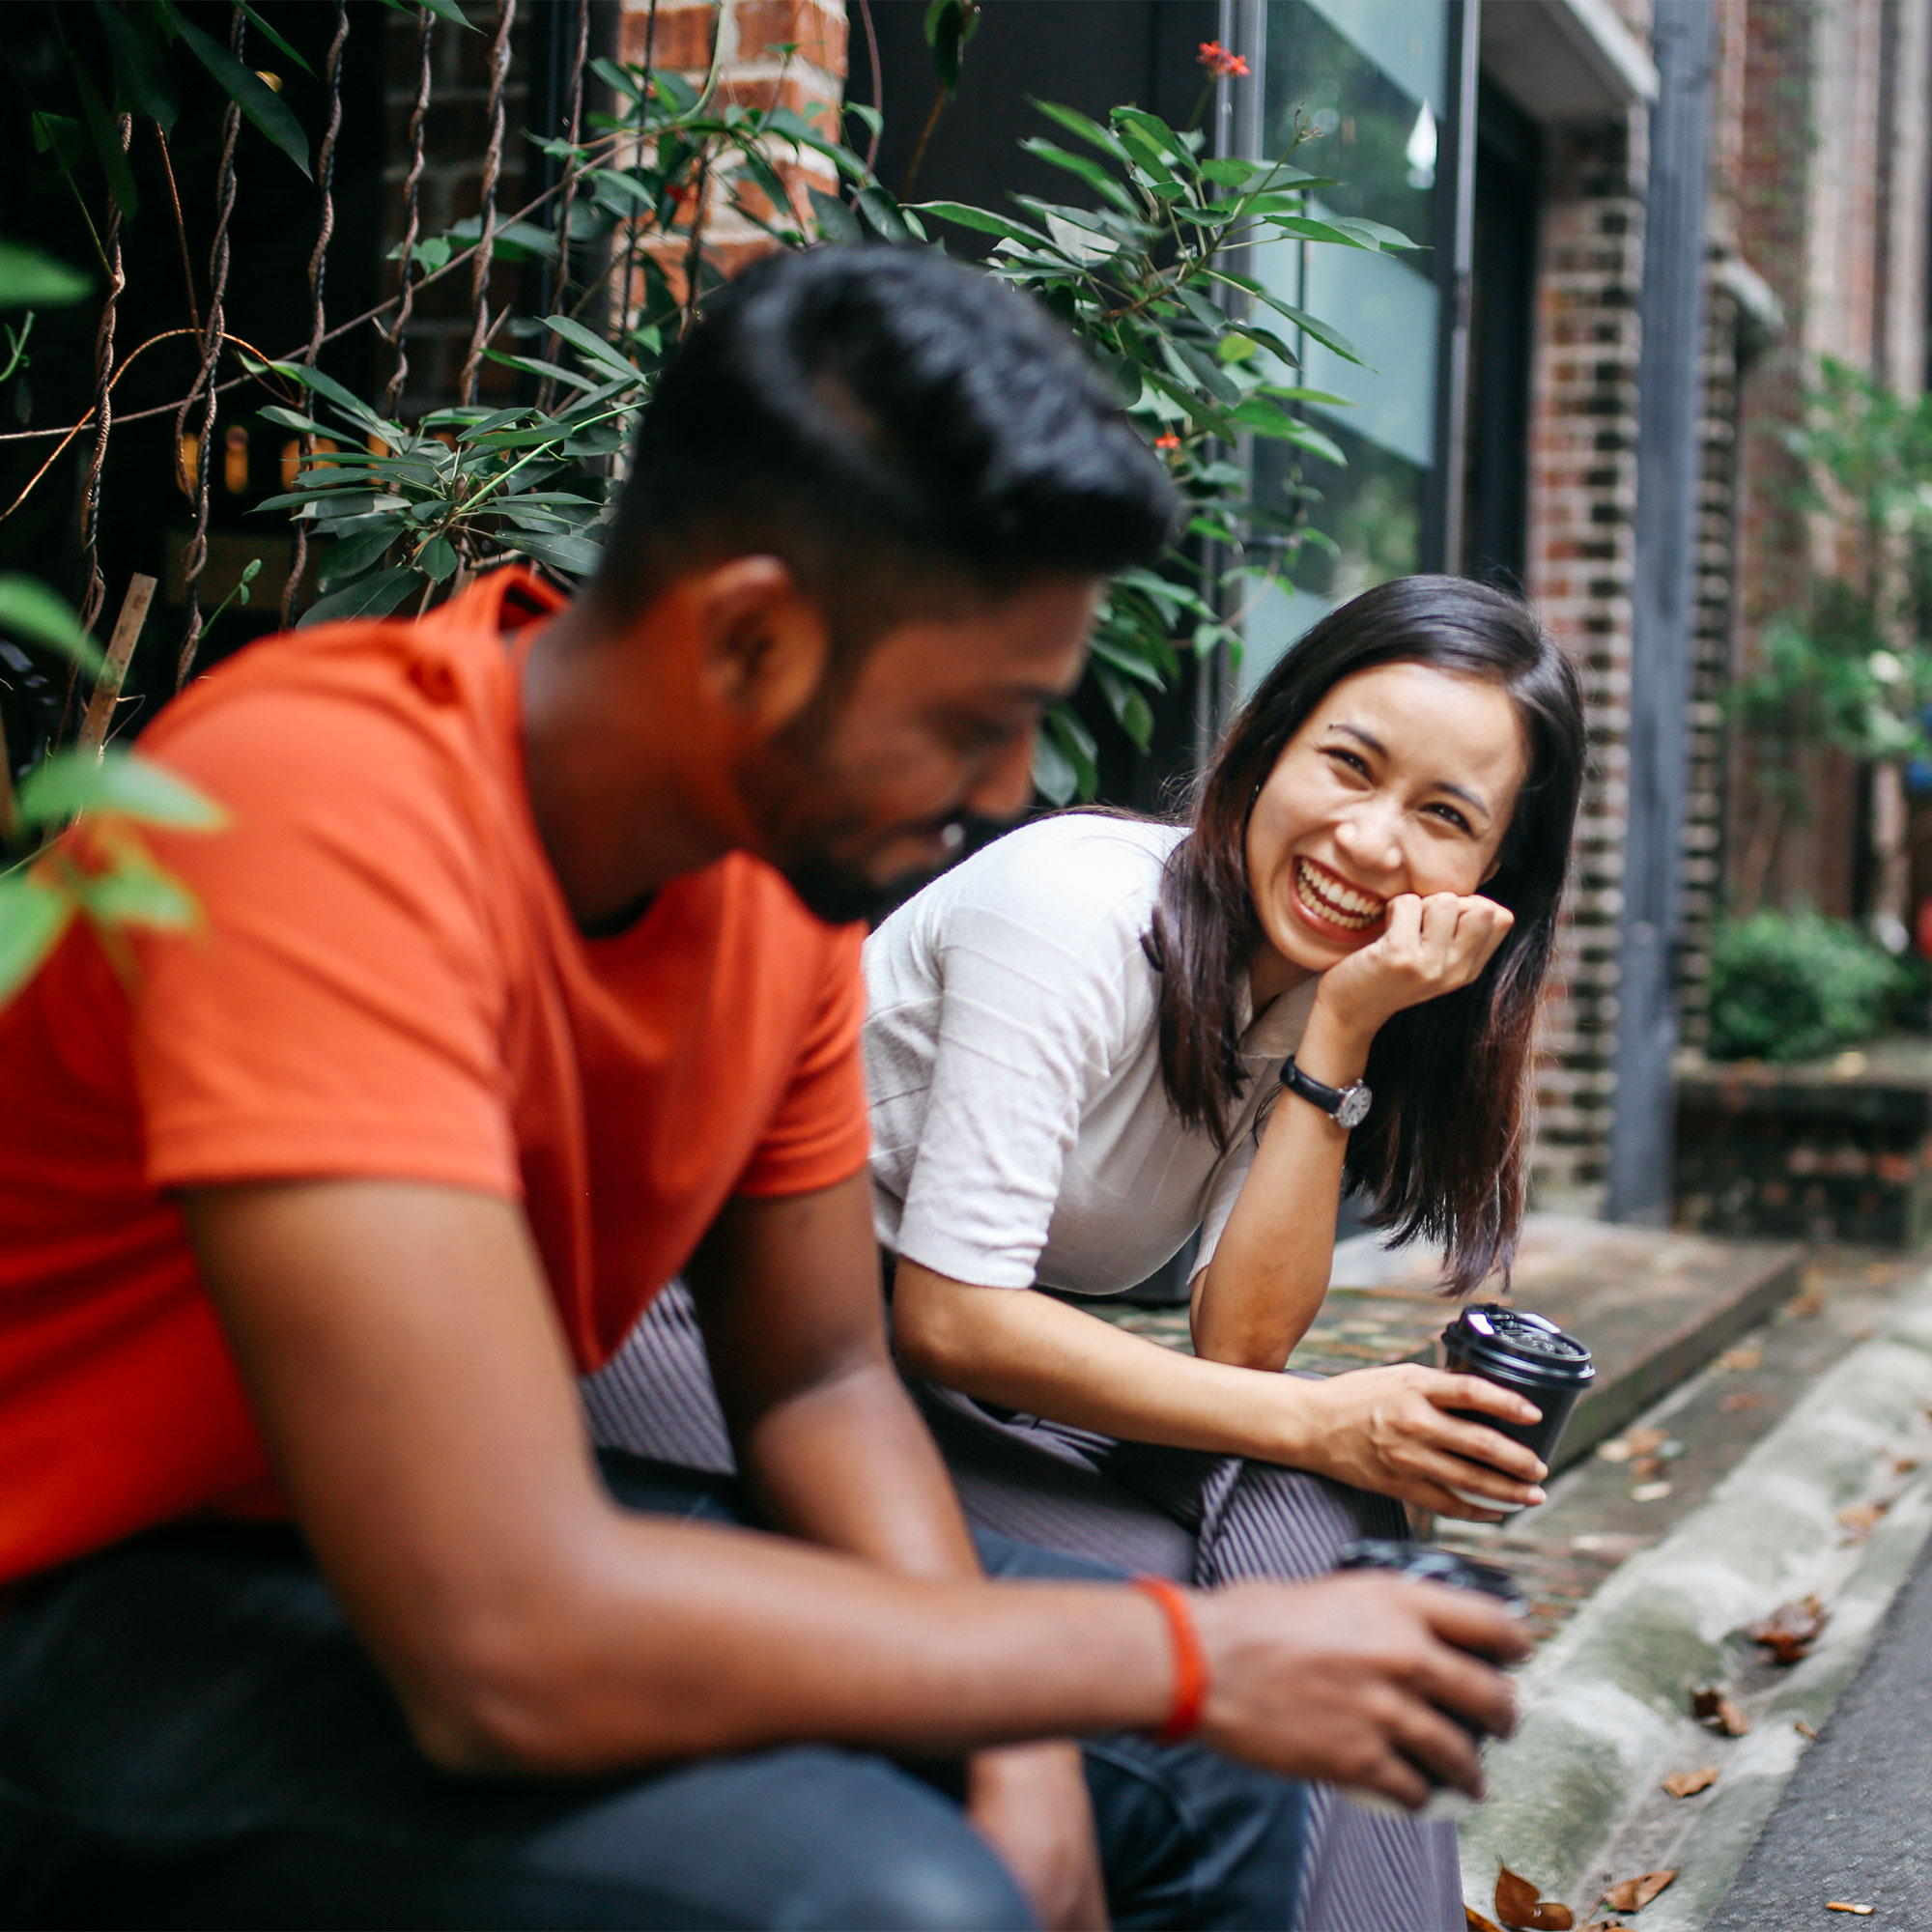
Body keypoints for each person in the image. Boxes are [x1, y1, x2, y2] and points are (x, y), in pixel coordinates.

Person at [0, 248, 1529, 1931]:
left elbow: (816, 1382)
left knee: (1209, 1774)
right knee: (890, 1896)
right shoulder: (324, 814)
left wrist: (1028, 1735)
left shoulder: (774, 891)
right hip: (91, 1590)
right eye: (974, 716)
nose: (1010, 785)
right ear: (747, 638)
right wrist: (1163, 1654)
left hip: (383, 1558)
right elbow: (498, 1642)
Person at [592, 576, 1584, 1929]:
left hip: (899, 1387)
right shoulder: (1075, 908)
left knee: (1321, 1526)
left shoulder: (1315, 989)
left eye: (1445, 817)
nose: (1370, 840)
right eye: (1349, 764)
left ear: (1491, 883)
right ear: (1271, 744)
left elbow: (1241, 1346)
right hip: (723, 1359)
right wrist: (1328, 1422)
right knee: (1292, 1535)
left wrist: (1340, 1036)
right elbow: (957, 1316)